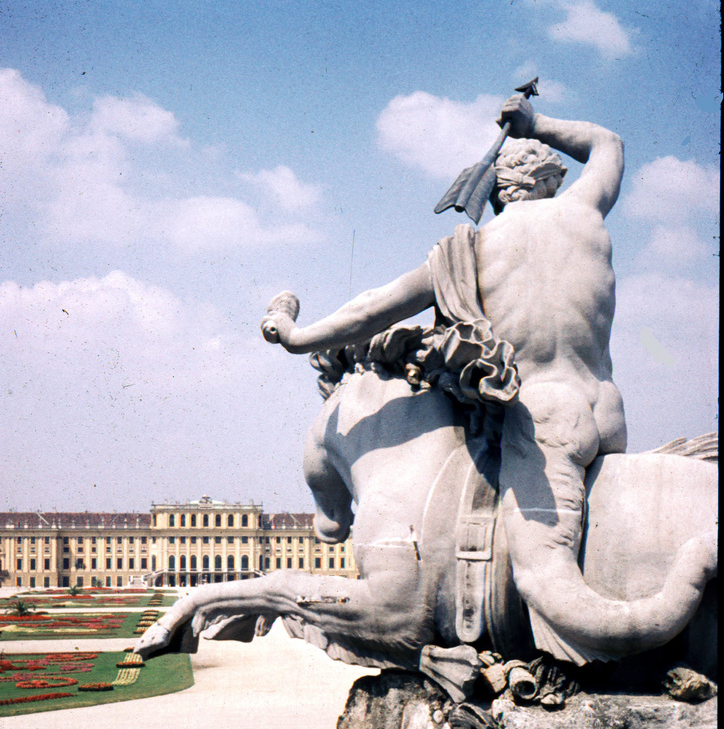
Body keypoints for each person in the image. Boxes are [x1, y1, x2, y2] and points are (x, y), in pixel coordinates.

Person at [261, 95, 715, 664]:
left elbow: (371, 310)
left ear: (498, 190)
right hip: (606, 412)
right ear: (550, 180)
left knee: (547, 582)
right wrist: (537, 123)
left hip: (546, 419)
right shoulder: (585, 213)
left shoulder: (471, 251)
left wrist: (296, 337)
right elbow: (608, 145)